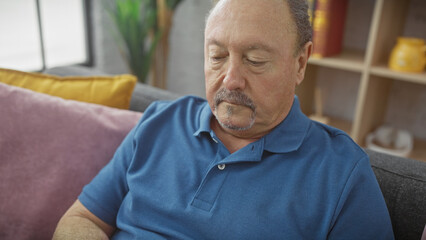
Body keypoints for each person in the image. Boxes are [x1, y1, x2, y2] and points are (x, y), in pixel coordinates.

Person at [53, 0, 394, 239]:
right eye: (217, 56)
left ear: (300, 63)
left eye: (255, 60)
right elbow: (82, 218)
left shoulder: (342, 173)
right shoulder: (160, 121)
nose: (230, 79)